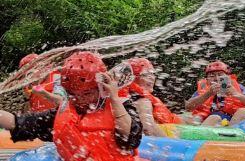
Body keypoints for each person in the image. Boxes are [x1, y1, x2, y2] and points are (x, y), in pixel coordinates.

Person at [0, 51, 143, 161]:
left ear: (100, 87)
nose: (79, 99)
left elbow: (130, 139)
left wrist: (115, 99)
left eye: (86, 93)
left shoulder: (122, 104)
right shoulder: (63, 114)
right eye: (72, 94)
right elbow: (16, 122)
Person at [119, 58, 182, 137]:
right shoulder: (143, 101)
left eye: (152, 74)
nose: (151, 78)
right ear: (133, 78)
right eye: (145, 75)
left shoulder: (126, 98)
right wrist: (173, 144)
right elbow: (147, 129)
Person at [185, 61, 245, 126]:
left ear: (227, 76)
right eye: (212, 75)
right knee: (212, 118)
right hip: (210, 121)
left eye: (220, 74)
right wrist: (208, 94)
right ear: (207, 79)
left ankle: (232, 135)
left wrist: (235, 93)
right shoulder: (203, 88)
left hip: (233, 121)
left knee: (244, 111)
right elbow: (188, 107)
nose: (216, 78)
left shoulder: (236, 87)